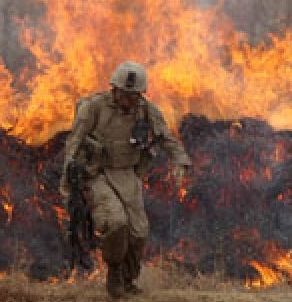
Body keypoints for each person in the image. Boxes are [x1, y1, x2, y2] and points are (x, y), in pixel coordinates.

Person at [59, 61, 192, 298]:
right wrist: (69, 178)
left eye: (135, 95)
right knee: (116, 222)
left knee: (138, 233)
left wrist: (180, 160)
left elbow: (165, 137)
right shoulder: (93, 107)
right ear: (114, 89)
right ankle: (114, 272)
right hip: (98, 175)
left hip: (129, 175)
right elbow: (74, 141)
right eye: (125, 94)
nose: (130, 99)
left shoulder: (146, 110)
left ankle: (128, 280)